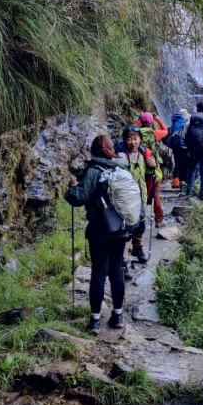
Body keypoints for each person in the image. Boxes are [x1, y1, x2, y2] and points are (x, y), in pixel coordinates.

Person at [63, 135, 127, 333]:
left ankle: (95, 320)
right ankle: (117, 315)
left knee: (99, 272)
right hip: (120, 228)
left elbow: (78, 198)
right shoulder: (121, 169)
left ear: (93, 152)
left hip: (100, 229)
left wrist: (72, 187)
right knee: (116, 271)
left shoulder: (92, 172)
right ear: (111, 150)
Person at [117, 126, 155, 266]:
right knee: (126, 227)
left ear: (140, 139)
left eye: (135, 138)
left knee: (141, 224)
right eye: (129, 139)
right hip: (126, 198)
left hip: (141, 196)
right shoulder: (121, 156)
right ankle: (123, 259)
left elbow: (151, 175)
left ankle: (138, 248)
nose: (132, 142)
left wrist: (153, 166)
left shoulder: (144, 154)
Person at [136, 112, 167, 229]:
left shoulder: (136, 134)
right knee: (156, 196)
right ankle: (159, 220)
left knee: (140, 195)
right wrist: (158, 119)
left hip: (139, 170)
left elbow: (129, 130)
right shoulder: (155, 134)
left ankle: (139, 219)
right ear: (151, 123)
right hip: (154, 170)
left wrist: (138, 121)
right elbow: (166, 131)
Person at [167, 109, 190, 190]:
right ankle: (183, 183)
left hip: (175, 146)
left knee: (177, 163)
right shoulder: (186, 122)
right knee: (185, 164)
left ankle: (175, 182)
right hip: (184, 147)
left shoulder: (174, 123)